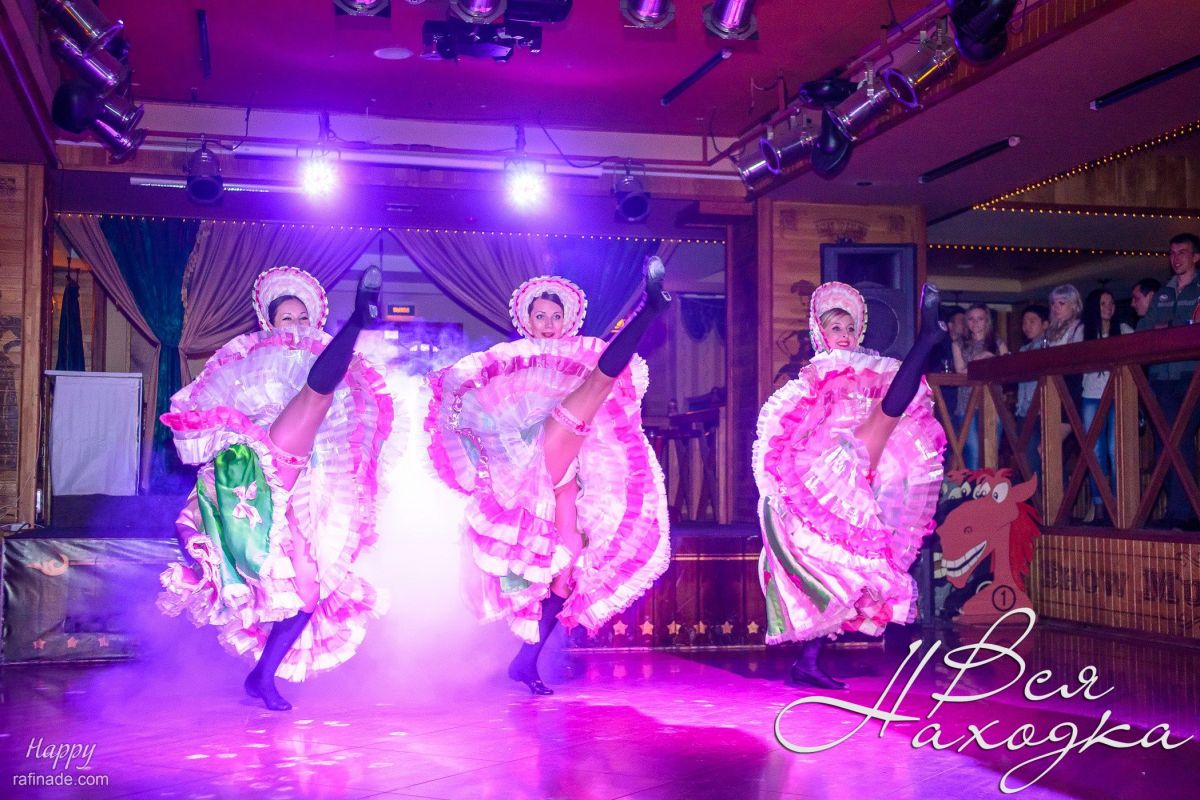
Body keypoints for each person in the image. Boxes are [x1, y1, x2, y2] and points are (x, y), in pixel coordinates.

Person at [426, 259, 672, 695]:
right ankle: (648, 310)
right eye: (540, 315)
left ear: (568, 321)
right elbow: (476, 407)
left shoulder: (579, 355)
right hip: (528, 457)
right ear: (526, 320)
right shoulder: (509, 361)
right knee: (597, 385)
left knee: (566, 570)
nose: (549, 324)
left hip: (566, 471)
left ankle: (525, 662)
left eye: (556, 316)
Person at [158, 266, 391, 711]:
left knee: (308, 596)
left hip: (300, 488)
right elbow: (206, 418)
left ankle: (261, 676)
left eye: (304, 318)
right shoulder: (247, 365)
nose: (297, 326)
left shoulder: (322, 362)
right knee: (315, 396)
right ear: (269, 322)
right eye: (287, 318)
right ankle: (359, 319)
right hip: (258, 468)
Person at [753, 281, 946, 689]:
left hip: (862, 475)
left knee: (849, 569)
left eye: (849, 328)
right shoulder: (813, 377)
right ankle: (927, 340)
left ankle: (808, 661)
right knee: (835, 569)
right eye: (835, 327)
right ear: (819, 332)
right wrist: (781, 490)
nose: (843, 334)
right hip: (826, 473)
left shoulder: (869, 372)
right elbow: (786, 435)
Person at [1137, 233, 1200, 528]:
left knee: (1180, 438)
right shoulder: (1163, 293)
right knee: (1164, 443)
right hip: (1161, 377)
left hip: (1191, 376)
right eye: (1172, 253)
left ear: (1196, 257)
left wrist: (1169, 327)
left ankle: (1185, 513)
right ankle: (1177, 510)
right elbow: (1143, 329)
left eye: (1182, 252)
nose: (1176, 258)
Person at [1080, 289, 1133, 525]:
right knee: (1096, 452)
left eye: (1111, 303)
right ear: (1094, 306)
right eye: (1103, 303)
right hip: (1091, 396)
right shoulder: (1083, 332)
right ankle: (1100, 505)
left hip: (1117, 395)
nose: (1108, 307)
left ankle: (1120, 506)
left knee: (1115, 449)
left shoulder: (1124, 330)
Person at [952, 303, 1008, 468]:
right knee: (974, 452)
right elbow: (960, 370)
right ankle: (974, 485)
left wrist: (991, 357)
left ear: (987, 321)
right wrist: (979, 359)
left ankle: (989, 485)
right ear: (966, 321)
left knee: (991, 452)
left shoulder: (997, 342)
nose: (975, 322)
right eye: (971, 319)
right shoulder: (958, 343)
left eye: (980, 319)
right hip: (966, 402)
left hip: (993, 401)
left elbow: (1009, 366)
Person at [1015, 304, 1050, 478]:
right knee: (1024, 457)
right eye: (1024, 322)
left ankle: (1038, 492)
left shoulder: (1047, 347)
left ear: (1045, 324)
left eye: (1032, 321)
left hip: (1039, 411)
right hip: (1023, 410)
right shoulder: (1023, 349)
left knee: (1036, 456)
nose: (1027, 326)